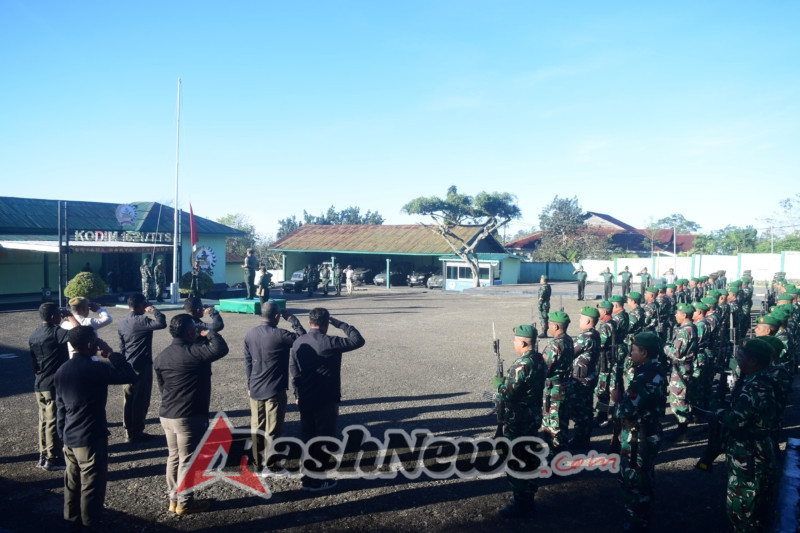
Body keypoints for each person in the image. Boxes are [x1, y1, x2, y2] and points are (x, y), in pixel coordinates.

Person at [55, 326, 137, 530]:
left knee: (72, 483)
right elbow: (129, 375)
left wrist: (62, 434)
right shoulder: (96, 368)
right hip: (90, 435)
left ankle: (71, 520)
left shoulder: (62, 370)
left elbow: (60, 408)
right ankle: (90, 523)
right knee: (92, 485)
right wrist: (111, 354)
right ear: (91, 344)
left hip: (70, 435)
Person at [154, 314, 230, 515]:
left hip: (167, 414)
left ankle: (173, 499)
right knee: (188, 460)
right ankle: (185, 502)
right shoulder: (194, 352)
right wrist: (208, 332)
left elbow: (162, 387)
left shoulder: (161, 356)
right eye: (194, 329)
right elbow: (220, 348)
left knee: (173, 457)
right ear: (190, 332)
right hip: (188, 415)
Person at [290, 308, 365, 491]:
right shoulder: (330, 342)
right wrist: (341, 324)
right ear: (326, 324)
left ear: (309, 322)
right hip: (325, 398)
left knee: (308, 437)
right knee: (325, 439)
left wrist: (297, 394)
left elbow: (294, 371)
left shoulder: (298, 341)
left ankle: (308, 475)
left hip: (305, 397)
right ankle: (316, 480)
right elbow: (358, 340)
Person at [715, 338, 781, 532]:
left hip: (750, 453)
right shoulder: (759, 381)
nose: (738, 359)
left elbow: (734, 420)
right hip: (754, 450)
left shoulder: (756, 387)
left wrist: (717, 409)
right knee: (754, 505)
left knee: (744, 508)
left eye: (741, 356)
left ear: (754, 361)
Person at [613, 332, 667, 533]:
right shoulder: (654, 370)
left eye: (634, 350)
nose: (631, 354)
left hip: (638, 435)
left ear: (644, 352)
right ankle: (641, 516)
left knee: (635, 479)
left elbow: (626, 410)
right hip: (647, 430)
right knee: (643, 476)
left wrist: (617, 399)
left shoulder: (645, 377)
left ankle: (639, 521)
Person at [244, 302, 306, 475]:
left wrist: (249, 384)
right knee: (273, 429)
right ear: (277, 316)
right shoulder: (281, 335)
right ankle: (271, 465)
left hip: (255, 387)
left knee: (257, 428)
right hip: (274, 388)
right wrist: (292, 320)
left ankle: (257, 463)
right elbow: (303, 338)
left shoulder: (250, 333)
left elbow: (247, 360)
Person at [493, 324, 546, 518]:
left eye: (515, 340)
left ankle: (521, 503)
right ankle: (527, 497)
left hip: (519, 418)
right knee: (529, 456)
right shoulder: (538, 359)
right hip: (532, 415)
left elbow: (507, 394)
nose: (514, 343)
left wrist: (499, 385)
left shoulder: (522, 364)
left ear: (523, 343)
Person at [29, 303, 78, 470]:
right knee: (53, 420)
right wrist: (70, 317)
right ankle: (53, 458)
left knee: (43, 420)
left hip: (40, 382)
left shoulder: (34, 334)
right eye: (58, 314)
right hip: (53, 383)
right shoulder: (56, 332)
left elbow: (34, 362)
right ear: (52, 317)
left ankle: (43, 456)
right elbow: (80, 333)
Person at [117, 293, 167, 442]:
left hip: (128, 364)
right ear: (141, 305)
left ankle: (128, 431)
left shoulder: (122, 322)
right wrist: (154, 310)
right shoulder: (142, 320)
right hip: (142, 365)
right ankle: (137, 432)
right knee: (141, 399)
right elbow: (161, 323)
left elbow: (121, 346)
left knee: (128, 398)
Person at [539, 311, 574, 454]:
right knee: (563, 423)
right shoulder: (568, 340)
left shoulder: (555, 344)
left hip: (554, 390)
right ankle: (562, 454)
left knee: (553, 427)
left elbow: (544, 368)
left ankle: (556, 458)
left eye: (550, 324)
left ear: (556, 326)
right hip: (565, 386)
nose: (548, 326)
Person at [566, 307, 601, 450]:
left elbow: (570, 353)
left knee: (580, 411)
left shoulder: (585, 337)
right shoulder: (595, 334)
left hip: (580, 379)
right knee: (586, 409)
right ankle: (584, 438)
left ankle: (580, 440)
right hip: (589, 376)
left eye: (581, 318)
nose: (579, 320)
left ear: (588, 321)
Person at [664, 303, 698, 443]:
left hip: (681, 369)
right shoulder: (691, 327)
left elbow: (677, 353)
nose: (675, 315)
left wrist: (666, 348)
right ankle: (681, 430)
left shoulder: (685, 330)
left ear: (684, 315)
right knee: (681, 398)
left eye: (677, 313)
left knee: (679, 400)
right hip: (684, 368)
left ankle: (682, 432)